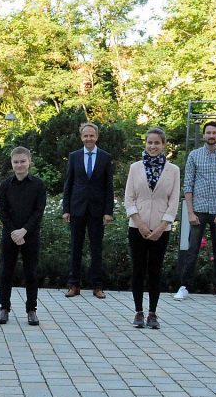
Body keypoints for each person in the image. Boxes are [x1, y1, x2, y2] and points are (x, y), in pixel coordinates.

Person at [124, 128, 181, 328]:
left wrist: (163, 225)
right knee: (138, 269)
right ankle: (138, 312)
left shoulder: (173, 170)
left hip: (161, 229)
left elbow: (173, 201)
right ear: (145, 144)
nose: (153, 146)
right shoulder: (135, 168)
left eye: (157, 143)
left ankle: (153, 313)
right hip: (137, 227)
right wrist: (139, 223)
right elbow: (129, 198)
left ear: (163, 145)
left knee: (155, 270)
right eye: (150, 143)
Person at [174, 121, 216, 302]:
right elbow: (188, 184)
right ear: (204, 135)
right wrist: (190, 213)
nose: (211, 135)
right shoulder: (194, 156)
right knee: (192, 250)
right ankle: (184, 286)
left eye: (214, 133)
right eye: (208, 132)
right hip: (198, 210)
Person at [62, 122, 114, 298]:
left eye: (92, 135)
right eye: (86, 136)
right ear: (81, 137)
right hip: (77, 208)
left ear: (96, 137)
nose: (89, 138)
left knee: (96, 249)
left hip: (97, 211)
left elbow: (109, 187)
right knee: (75, 248)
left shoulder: (105, 157)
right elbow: (68, 184)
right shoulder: (74, 156)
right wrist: (66, 209)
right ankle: (73, 285)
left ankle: (97, 286)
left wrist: (108, 211)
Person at [0, 147, 47, 326]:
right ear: (12, 163)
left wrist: (24, 230)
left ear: (29, 162)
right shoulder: (5, 186)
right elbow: (2, 212)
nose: (19, 165)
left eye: (22, 161)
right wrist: (14, 232)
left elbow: (38, 211)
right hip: (10, 234)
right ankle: (4, 308)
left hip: (30, 235)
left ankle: (31, 310)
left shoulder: (38, 185)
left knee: (31, 273)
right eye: (16, 162)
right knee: (6, 272)